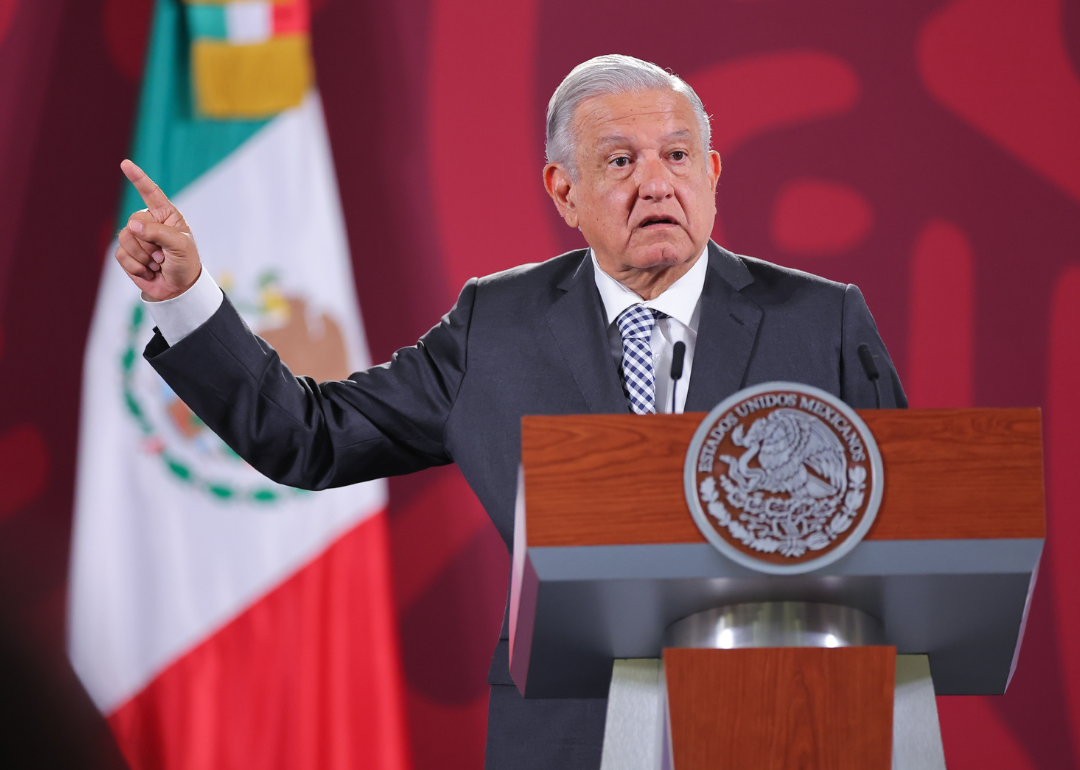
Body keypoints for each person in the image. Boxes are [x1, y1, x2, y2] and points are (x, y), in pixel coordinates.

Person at [113, 54, 905, 770]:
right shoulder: (498, 325)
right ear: (565, 190)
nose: (658, 183)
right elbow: (308, 438)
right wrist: (187, 300)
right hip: (570, 736)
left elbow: (915, 527)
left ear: (713, 171)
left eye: (678, 155)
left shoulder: (821, 321)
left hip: (788, 729)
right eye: (621, 161)